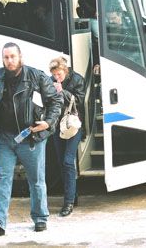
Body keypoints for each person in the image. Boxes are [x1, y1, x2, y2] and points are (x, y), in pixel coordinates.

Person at [0, 42, 63, 236]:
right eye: (6, 57)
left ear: (20, 57)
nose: (9, 61)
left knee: (36, 180)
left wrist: (48, 123)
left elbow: (55, 101)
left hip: (30, 137)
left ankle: (40, 218)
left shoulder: (36, 76)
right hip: (4, 139)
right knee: (1, 179)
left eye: (13, 57)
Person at [49, 57, 85, 217]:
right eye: (55, 75)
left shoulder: (77, 79)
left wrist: (61, 91)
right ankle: (73, 195)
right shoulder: (50, 80)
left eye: (59, 74)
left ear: (65, 70)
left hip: (73, 125)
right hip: (58, 125)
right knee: (61, 161)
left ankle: (68, 202)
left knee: (68, 161)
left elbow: (80, 100)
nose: (57, 77)